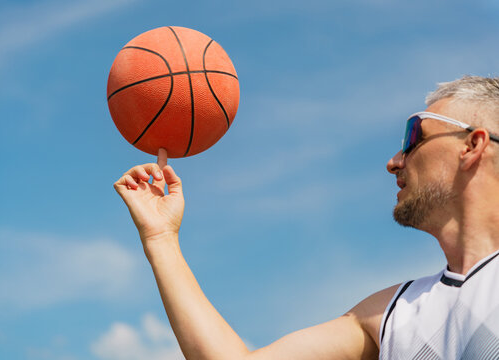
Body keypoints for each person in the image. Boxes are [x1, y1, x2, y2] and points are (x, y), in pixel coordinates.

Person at [114, 75, 499, 359]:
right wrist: (161, 239)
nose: (394, 162)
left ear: (473, 145)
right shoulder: (391, 313)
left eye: (413, 136)